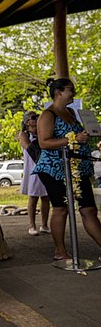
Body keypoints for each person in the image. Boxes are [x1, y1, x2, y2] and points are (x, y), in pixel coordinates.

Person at [33, 78, 101, 261]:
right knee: (61, 208)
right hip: (54, 168)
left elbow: (76, 136)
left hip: (77, 169)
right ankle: (60, 251)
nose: (74, 93)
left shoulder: (71, 112)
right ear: (58, 92)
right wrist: (72, 140)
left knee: (89, 209)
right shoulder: (48, 115)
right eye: (70, 89)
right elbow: (44, 142)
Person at [17, 111, 50, 236]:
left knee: (46, 197)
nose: (36, 120)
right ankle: (32, 225)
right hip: (32, 169)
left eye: (37, 117)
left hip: (44, 168)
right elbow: (30, 148)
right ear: (26, 122)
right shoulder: (24, 136)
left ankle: (44, 224)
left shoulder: (43, 134)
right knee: (33, 197)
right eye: (33, 118)